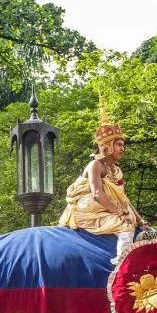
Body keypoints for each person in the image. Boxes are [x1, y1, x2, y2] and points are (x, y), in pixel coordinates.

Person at [58, 104, 145, 255]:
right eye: (118, 144)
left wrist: (140, 221)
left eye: (123, 145)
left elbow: (124, 199)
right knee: (124, 224)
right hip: (88, 205)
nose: (122, 148)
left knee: (128, 215)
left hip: (105, 205)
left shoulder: (116, 171)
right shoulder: (95, 165)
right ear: (107, 146)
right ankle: (123, 262)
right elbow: (97, 194)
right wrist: (120, 213)